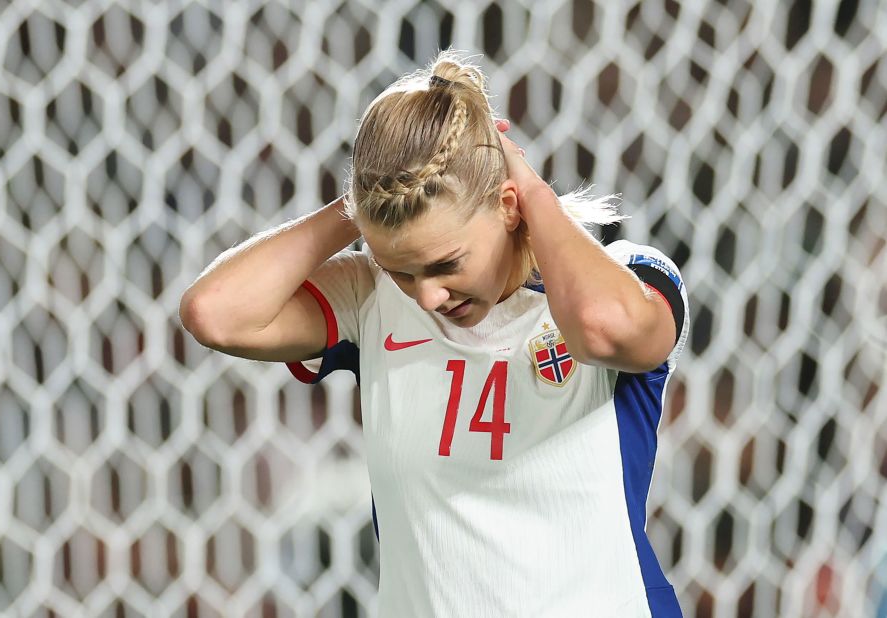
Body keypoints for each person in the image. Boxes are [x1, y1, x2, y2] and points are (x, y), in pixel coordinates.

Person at [180, 50, 689, 617]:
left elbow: (601, 329)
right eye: (402, 269)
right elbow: (214, 312)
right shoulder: (371, 298)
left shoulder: (631, 277)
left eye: (446, 264)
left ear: (507, 206)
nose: (426, 296)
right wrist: (366, 204)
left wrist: (530, 187)